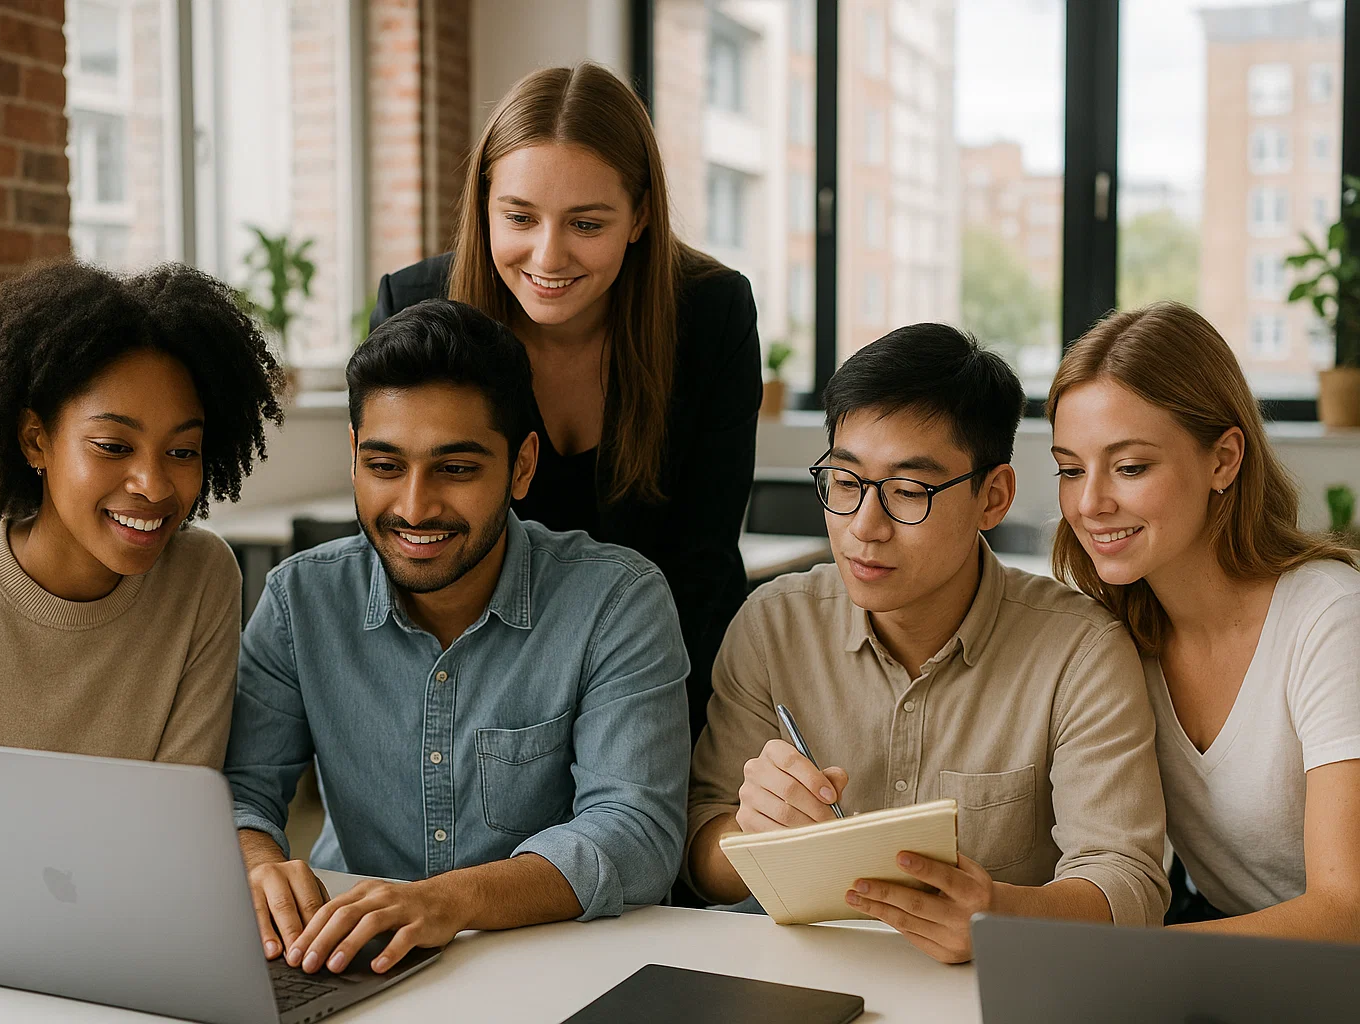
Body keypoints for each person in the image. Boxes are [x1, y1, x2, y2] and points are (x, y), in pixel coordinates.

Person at [224, 299, 690, 977]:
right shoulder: (301, 601)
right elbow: (241, 792)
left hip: (551, 966)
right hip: (346, 960)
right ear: (354, 457)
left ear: (522, 466)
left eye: (457, 469)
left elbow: (637, 833)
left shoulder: (616, 600)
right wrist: (259, 864)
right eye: (385, 466)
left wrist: (449, 901)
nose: (415, 507)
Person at [684, 324, 1171, 964]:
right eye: (845, 481)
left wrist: (998, 916)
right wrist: (750, 835)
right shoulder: (774, 625)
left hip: (990, 991)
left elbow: (1130, 886)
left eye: (909, 491)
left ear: (992, 497)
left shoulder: (1079, 651)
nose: (864, 527)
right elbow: (700, 846)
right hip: (806, 978)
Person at [0, 261, 285, 920]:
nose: (153, 485)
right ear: (36, 439)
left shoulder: (202, 577)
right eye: (112, 446)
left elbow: (174, 816)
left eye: (181, 452)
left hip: (110, 935)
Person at [370, 62, 760, 742]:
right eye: (519, 217)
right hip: (472, 687)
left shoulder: (711, 312)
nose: (548, 256)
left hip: (659, 676)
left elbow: (704, 560)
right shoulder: (416, 305)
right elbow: (404, 548)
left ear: (639, 215)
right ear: (485, 202)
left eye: (586, 223)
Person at [1048, 301, 1360, 941]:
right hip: (1247, 969)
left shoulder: (1328, 616)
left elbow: (1346, 911)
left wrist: (1124, 962)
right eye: (1070, 468)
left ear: (1223, 459)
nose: (1090, 503)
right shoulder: (1112, 636)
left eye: (1130, 467)